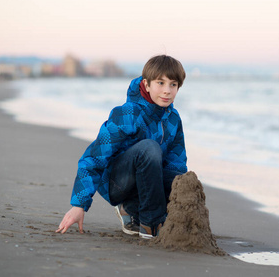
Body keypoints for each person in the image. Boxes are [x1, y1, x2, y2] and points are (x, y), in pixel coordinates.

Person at [56, 55, 188, 239]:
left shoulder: (173, 119)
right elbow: (94, 158)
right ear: (147, 84)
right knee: (149, 148)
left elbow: (177, 164)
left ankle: (134, 210)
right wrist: (79, 205)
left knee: (181, 178)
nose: (167, 91)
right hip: (117, 183)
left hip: (149, 181)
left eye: (173, 85)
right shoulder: (127, 113)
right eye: (160, 83)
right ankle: (150, 225)